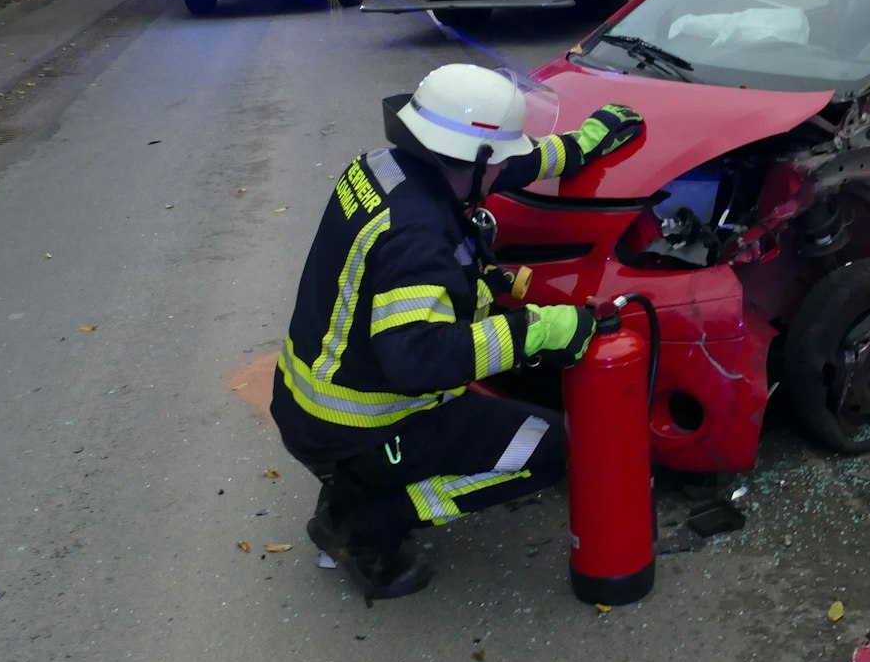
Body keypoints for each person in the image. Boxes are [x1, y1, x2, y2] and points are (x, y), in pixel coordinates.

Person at [270, 63, 645, 602]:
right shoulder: (419, 235)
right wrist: (537, 331)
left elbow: (504, 164)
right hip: (359, 424)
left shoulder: (387, 168)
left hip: (309, 399)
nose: (500, 174)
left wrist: (581, 146)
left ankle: (355, 485)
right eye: (494, 163)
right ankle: (366, 520)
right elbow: (416, 359)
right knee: (551, 448)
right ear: (471, 161)